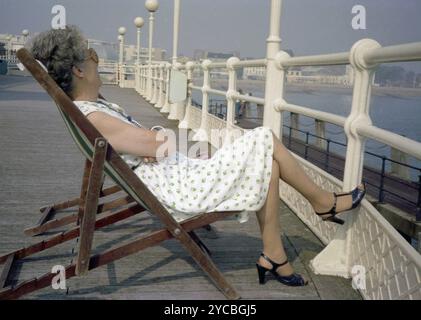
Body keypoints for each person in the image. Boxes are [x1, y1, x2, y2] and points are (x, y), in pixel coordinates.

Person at [29, 26, 366, 287]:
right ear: (78, 71)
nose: (95, 59)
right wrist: (154, 142)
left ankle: (274, 256)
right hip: (180, 187)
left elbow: (154, 145)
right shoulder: (95, 116)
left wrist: (152, 144)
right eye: (90, 55)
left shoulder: (94, 108)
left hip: (177, 173)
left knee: (269, 161)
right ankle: (323, 203)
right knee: (265, 139)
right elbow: (161, 145)